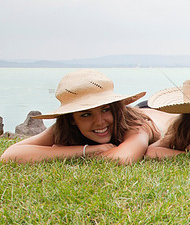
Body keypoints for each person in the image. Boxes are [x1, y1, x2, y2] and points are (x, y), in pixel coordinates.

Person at [0, 69, 158, 165]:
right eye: (86, 114)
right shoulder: (64, 128)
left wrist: (58, 152)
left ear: (115, 108)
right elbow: (10, 156)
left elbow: (123, 159)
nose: (99, 121)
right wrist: (86, 150)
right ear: (71, 119)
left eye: (105, 110)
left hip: (153, 109)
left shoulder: (134, 124)